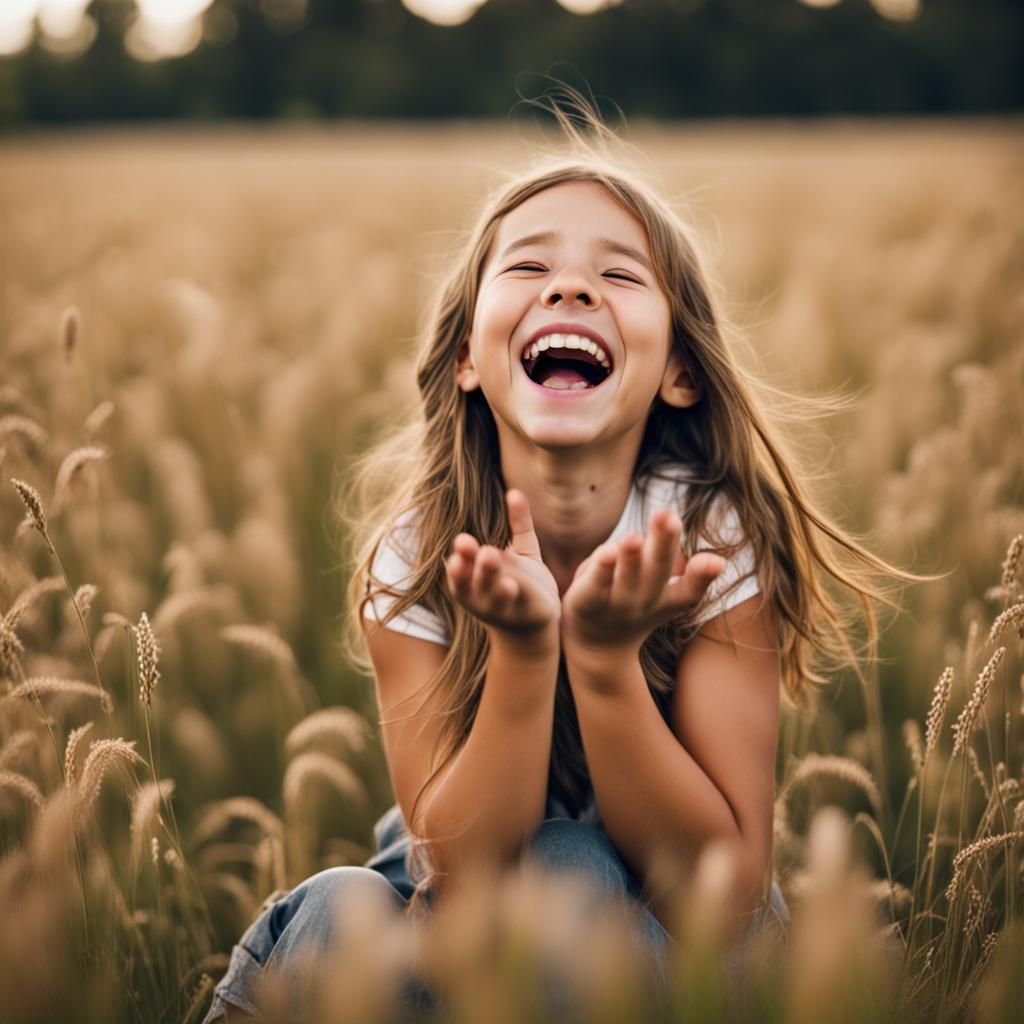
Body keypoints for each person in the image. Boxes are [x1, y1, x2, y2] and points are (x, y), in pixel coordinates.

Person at [203, 89, 915, 1024]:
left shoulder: (714, 540)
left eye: (620, 277)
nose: (570, 287)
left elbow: (723, 897)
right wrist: (525, 655)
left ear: (681, 372)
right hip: (453, 891)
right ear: (466, 355)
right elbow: (459, 874)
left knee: (573, 868)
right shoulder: (418, 558)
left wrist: (608, 666)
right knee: (338, 907)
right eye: (530, 265)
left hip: (676, 942)